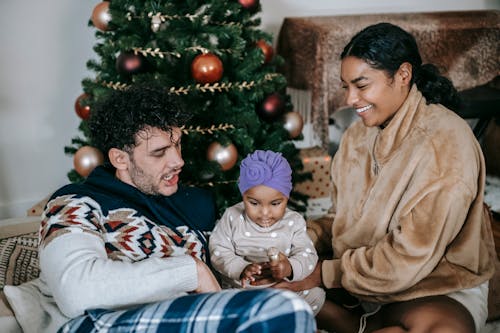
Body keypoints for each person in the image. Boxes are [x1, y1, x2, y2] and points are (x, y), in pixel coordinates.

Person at [3, 84, 316, 333]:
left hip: (192, 320)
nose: (178, 160)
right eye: (160, 152)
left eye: (178, 144)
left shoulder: (196, 205)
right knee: (282, 308)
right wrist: (190, 270)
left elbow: (233, 263)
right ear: (120, 159)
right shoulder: (75, 202)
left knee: (283, 306)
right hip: (98, 323)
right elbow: (76, 293)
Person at [268, 23, 496, 333]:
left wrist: (322, 274)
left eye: (361, 85)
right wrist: (296, 241)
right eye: (345, 86)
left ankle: (346, 317)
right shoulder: (356, 136)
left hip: (436, 284)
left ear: (403, 75)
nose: (350, 99)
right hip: (363, 277)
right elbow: (340, 219)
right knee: (275, 285)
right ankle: (348, 315)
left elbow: (408, 259)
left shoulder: (445, 144)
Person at [209, 150, 326, 315]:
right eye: (254, 203)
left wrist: (290, 268)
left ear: (287, 197)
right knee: (224, 305)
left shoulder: (294, 222)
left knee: (316, 296)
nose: (265, 213)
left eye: (275, 203)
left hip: (282, 289)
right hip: (243, 291)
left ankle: (282, 321)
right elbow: (218, 250)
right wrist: (241, 268)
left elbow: (307, 254)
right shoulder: (232, 217)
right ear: (243, 196)